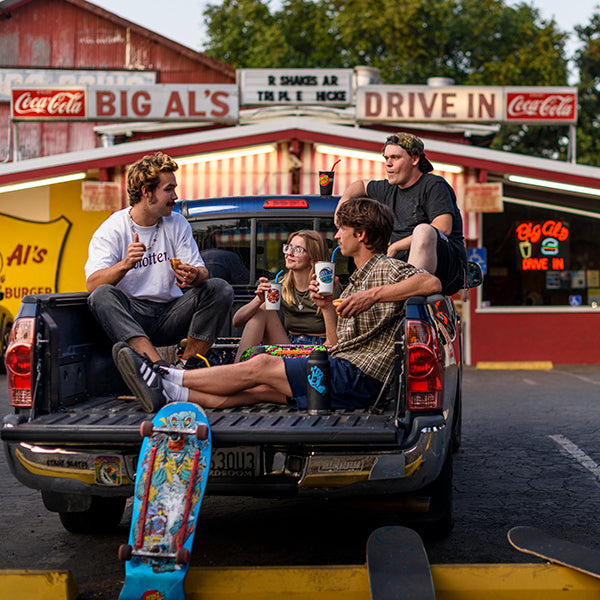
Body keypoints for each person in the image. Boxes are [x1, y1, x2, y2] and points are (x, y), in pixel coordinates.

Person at [112, 197, 441, 413]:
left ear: (363, 235)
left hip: (358, 379)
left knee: (261, 366)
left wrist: (373, 295)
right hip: (339, 370)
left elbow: (431, 283)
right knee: (249, 391)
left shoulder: (384, 268)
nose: (337, 236)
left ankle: (162, 374)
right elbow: (334, 344)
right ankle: (167, 395)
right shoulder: (357, 277)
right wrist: (326, 306)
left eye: (342, 230)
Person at [85, 152, 233, 369]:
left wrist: (195, 275)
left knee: (219, 288)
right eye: (169, 189)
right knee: (102, 294)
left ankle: (186, 367)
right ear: (146, 192)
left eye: (174, 188)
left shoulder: (177, 222)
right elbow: (92, 284)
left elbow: (203, 273)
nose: (175, 196)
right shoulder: (113, 228)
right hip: (133, 316)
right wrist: (125, 264)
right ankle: (159, 368)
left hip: (171, 314)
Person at [337, 132, 467, 296]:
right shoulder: (388, 188)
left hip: (446, 270)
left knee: (424, 230)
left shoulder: (434, 184)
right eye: (386, 158)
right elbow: (360, 185)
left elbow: (443, 228)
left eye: (395, 157)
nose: (388, 164)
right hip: (400, 267)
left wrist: (396, 247)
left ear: (414, 159)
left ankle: (409, 297)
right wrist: (342, 206)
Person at [231, 230, 338, 362]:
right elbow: (237, 321)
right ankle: (239, 371)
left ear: (312, 257)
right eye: (288, 248)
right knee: (263, 309)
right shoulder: (281, 284)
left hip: (321, 348)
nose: (289, 253)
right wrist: (258, 301)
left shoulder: (327, 285)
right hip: (288, 345)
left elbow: (336, 337)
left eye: (298, 249)